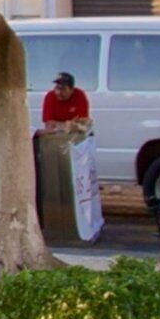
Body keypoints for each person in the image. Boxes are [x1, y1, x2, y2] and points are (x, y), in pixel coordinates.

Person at [40, 73, 102, 243]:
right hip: (57, 144)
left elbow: (82, 122)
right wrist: (66, 125)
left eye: (63, 88)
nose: (59, 92)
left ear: (71, 89)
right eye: (57, 87)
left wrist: (71, 125)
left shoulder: (80, 96)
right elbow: (49, 124)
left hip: (78, 144)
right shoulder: (50, 98)